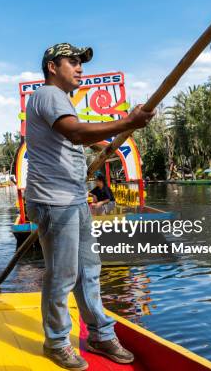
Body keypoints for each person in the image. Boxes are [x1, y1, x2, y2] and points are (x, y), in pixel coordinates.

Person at [25, 42, 155, 370]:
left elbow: (73, 141)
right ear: (52, 67)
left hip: (72, 198)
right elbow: (78, 133)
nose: (80, 67)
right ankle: (56, 341)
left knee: (89, 270)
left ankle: (99, 333)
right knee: (63, 273)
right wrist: (128, 122)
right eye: (73, 61)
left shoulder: (61, 100)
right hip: (54, 202)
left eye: (81, 62)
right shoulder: (48, 94)